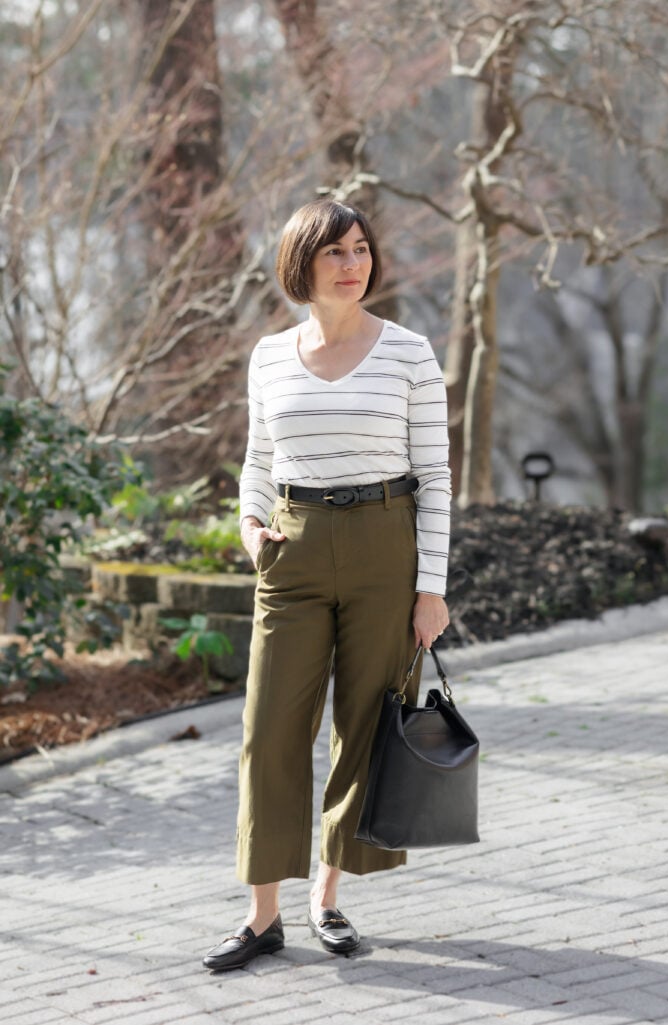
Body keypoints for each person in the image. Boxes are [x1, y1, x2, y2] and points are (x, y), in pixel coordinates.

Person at [203, 198, 451, 971]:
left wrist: (431, 587)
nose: (353, 264)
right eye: (335, 253)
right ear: (300, 266)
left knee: (363, 723)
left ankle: (327, 898)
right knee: (268, 727)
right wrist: (250, 529)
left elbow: (436, 476)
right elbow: (255, 458)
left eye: (360, 249)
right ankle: (261, 915)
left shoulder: (409, 352)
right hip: (293, 547)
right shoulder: (270, 356)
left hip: (386, 543)